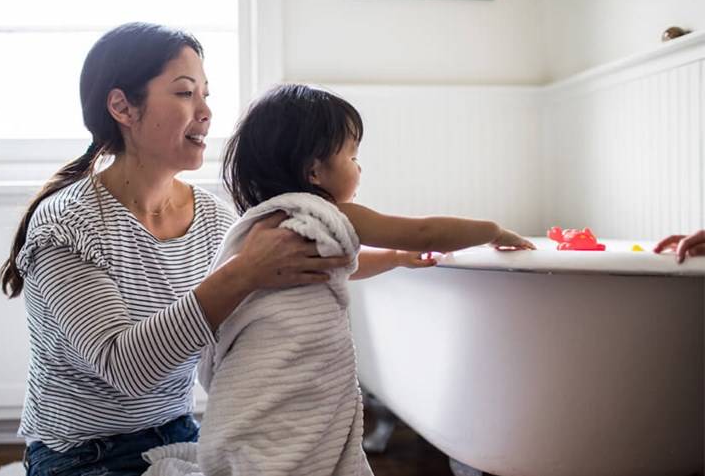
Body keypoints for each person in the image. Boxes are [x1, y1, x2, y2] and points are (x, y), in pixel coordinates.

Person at [0, 23, 362, 476]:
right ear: (122, 107)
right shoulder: (66, 225)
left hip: (182, 433)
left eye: (206, 93)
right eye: (186, 93)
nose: (206, 111)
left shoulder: (211, 217)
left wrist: (408, 256)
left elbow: (282, 282)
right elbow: (126, 368)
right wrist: (244, 272)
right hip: (82, 455)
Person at [140, 84, 534, 476]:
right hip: (288, 384)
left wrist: (395, 258)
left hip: (248, 400)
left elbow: (342, 264)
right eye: (353, 155)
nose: (359, 167)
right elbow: (425, 231)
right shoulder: (328, 212)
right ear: (314, 170)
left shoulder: (264, 226)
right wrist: (492, 231)